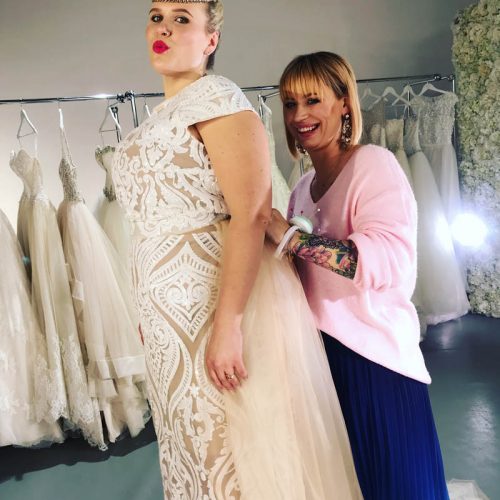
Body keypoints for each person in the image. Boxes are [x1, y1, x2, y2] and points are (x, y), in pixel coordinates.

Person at [112, 3, 361, 499]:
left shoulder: (218, 101)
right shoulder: (159, 117)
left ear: (211, 40)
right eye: (157, 16)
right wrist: (148, 306)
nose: (164, 28)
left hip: (209, 311)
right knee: (186, 445)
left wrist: (228, 326)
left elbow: (249, 214)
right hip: (167, 322)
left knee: (221, 448)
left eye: (182, 18)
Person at [265, 51, 450, 500]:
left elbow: (389, 260)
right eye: (290, 104)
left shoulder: (373, 165)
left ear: (344, 102)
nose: (299, 115)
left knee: (396, 485)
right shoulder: (302, 189)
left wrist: (290, 237)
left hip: (375, 360)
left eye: (313, 100)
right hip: (322, 360)